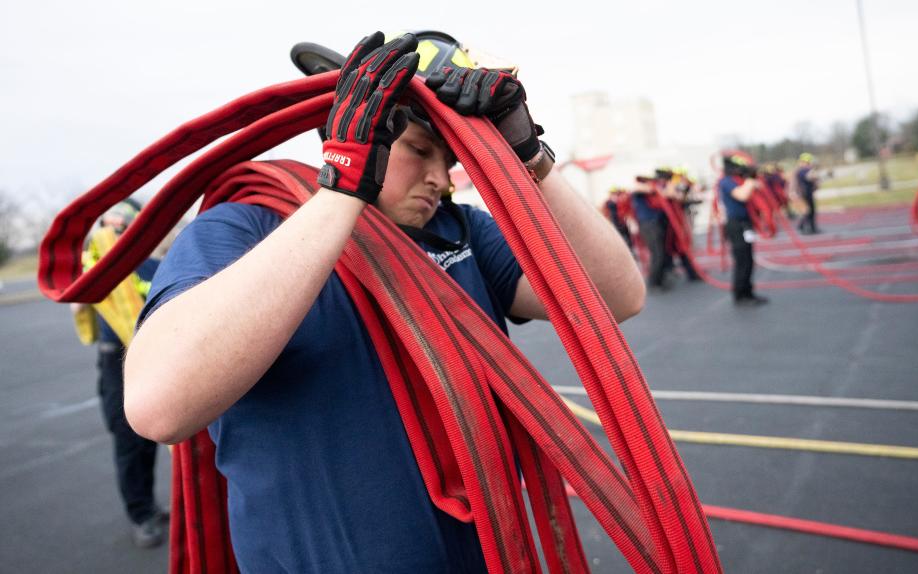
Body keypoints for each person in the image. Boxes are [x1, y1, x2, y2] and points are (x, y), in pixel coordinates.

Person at [123, 32, 644, 572]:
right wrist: (343, 187)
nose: (441, 180)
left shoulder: (462, 229)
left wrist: (530, 159)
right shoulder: (247, 226)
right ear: (357, 127)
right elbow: (159, 406)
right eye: (420, 149)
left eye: (451, 158)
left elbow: (616, 297)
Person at [69, 199, 167, 548]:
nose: (114, 228)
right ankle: (141, 515)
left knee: (150, 435)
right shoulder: (96, 266)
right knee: (127, 441)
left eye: (121, 223)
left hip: (152, 358)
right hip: (116, 361)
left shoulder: (154, 266)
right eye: (109, 224)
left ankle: (150, 505)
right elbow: (78, 303)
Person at [718, 153, 768, 306]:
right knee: (742, 261)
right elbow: (742, 195)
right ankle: (740, 295)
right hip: (736, 225)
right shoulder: (726, 181)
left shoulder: (737, 180)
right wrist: (751, 180)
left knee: (748, 260)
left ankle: (748, 292)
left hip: (745, 223)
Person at [631, 175, 670, 289]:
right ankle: (654, 282)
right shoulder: (639, 191)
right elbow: (639, 188)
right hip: (648, 225)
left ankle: (659, 280)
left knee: (660, 253)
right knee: (657, 254)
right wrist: (653, 186)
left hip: (654, 224)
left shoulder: (650, 192)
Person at [795, 152, 820, 234]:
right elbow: (810, 177)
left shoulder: (806, 170)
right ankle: (804, 227)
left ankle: (809, 227)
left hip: (808, 193)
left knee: (811, 211)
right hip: (804, 193)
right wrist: (815, 173)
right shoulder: (802, 170)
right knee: (808, 211)